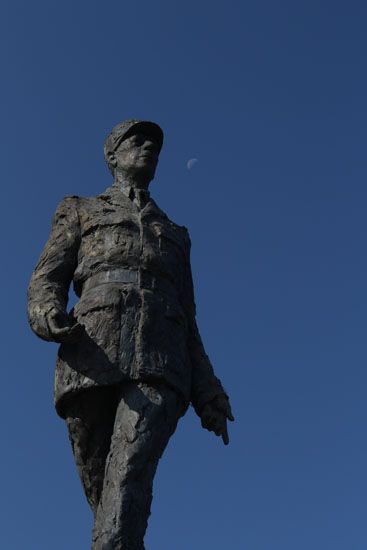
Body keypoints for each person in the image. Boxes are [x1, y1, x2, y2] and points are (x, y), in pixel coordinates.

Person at [28, 119, 234, 550]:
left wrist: (208, 391)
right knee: (105, 487)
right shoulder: (80, 209)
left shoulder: (175, 235)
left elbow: (189, 316)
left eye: (155, 144)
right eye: (136, 140)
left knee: (130, 470)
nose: (148, 147)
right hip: (91, 353)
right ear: (112, 155)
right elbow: (47, 277)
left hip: (161, 361)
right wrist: (45, 311)